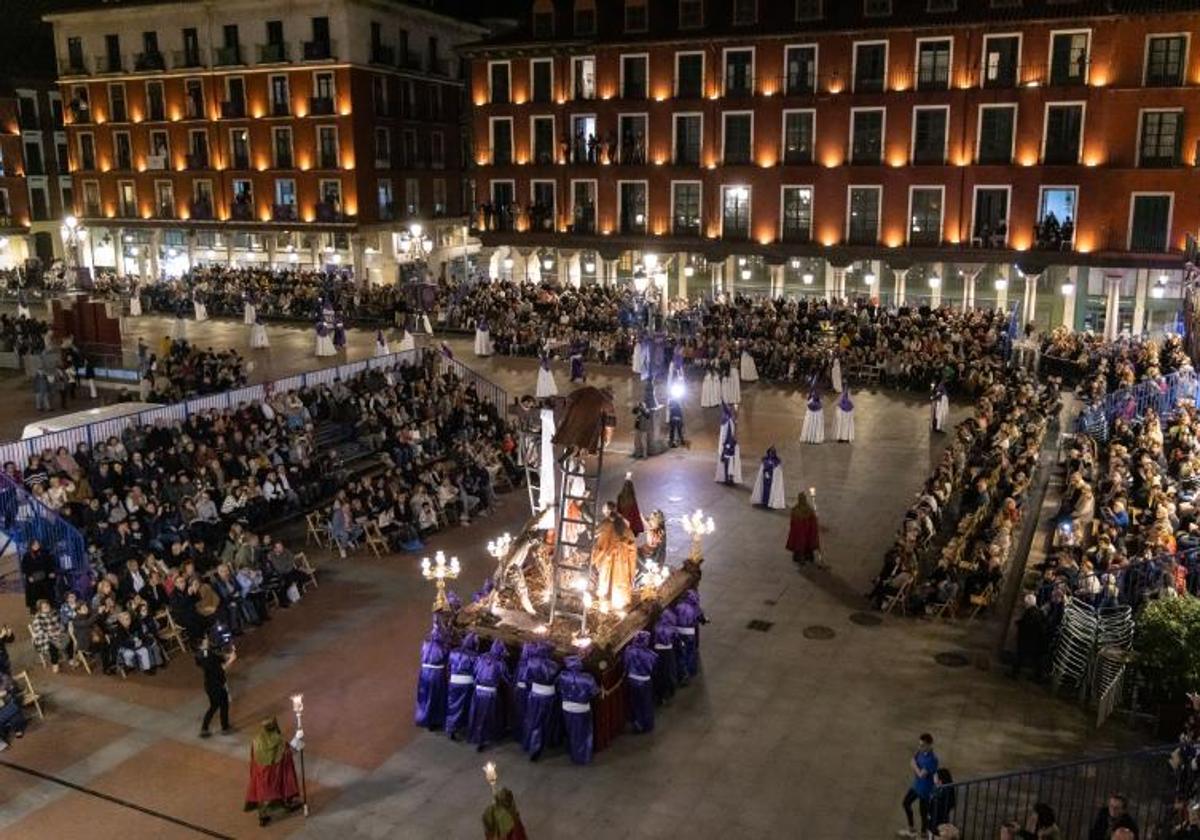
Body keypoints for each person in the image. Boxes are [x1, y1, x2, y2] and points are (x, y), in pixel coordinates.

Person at [244, 717, 302, 827]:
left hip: (261, 773)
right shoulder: (279, 741)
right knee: (283, 786)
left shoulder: (256, 740)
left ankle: (263, 816)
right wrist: (298, 739)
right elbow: (289, 752)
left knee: (262, 792)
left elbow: (253, 757)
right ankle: (287, 804)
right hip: (276, 773)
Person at [467, 639, 511, 752]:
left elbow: (475, 671)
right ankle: (483, 740)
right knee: (487, 717)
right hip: (490, 694)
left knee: (477, 714)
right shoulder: (500, 663)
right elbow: (506, 678)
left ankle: (474, 735)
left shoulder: (480, 658)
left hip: (477, 692)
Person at [593, 501, 637, 610]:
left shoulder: (606, 525)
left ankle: (606, 603)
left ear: (607, 511)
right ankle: (619, 604)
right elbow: (632, 544)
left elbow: (601, 548)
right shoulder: (624, 525)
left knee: (606, 582)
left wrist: (592, 560)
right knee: (619, 583)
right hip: (622, 562)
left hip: (608, 560)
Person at [556, 655, 599, 764]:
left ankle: (572, 751)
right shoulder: (587, 678)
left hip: (566, 707)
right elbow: (595, 692)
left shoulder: (562, 676)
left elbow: (558, 688)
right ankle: (582, 756)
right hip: (582, 709)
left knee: (570, 730)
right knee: (584, 732)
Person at [521, 641, 560, 760]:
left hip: (535, 695)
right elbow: (557, 682)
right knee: (545, 721)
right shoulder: (555, 665)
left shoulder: (531, 663)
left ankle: (528, 744)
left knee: (532, 719)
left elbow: (526, 679)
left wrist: (531, 689)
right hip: (548, 696)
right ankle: (540, 746)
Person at [195, 635, 235, 737]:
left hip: (209, 685)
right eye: (205, 640)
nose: (207, 640)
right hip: (217, 685)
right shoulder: (210, 655)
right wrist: (231, 658)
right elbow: (221, 667)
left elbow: (205, 660)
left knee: (213, 706)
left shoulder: (199, 655)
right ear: (202, 645)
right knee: (224, 706)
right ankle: (225, 728)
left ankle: (204, 728)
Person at [900, 733, 939, 838]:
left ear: (930, 745)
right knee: (905, 803)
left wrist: (914, 766)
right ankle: (911, 828)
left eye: (922, 745)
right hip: (916, 786)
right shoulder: (919, 752)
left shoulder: (933, 760)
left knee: (923, 813)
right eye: (919, 744)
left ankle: (923, 833)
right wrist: (916, 767)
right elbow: (912, 761)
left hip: (925, 790)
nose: (919, 747)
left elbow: (922, 774)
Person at [415, 618, 450, 731]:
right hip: (437, 675)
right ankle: (435, 720)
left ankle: (424, 718)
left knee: (425, 696)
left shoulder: (425, 644)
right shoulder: (442, 647)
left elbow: (422, 655)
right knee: (436, 697)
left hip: (425, 673)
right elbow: (446, 658)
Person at [446, 633, 480, 741]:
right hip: (467, 684)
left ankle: (451, 727)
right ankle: (464, 726)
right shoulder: (474, 656)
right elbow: (476, 671)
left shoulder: (454, 652)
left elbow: (449, 666)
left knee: (453, 705)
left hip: (454, 682)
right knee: (465, 707)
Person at [623, 630, 657, 733]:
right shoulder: (651, 655)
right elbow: (653, 668)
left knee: (635, 703)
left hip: (632, 680)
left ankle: (637, 723)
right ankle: (646, 724)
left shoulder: (629, 651)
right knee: (646, 703)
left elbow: (626, 664)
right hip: (645, 681)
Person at [1013, 594, 1048, 680]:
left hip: (1029, 640)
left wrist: (1019, 624)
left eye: (1025, 603)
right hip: (1038, 640)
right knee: (1037, 660)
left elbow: (1026, 625)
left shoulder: (1030, 613)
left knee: (1020, 656)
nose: (1024, 605)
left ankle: (1015, 673)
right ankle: (1038, 676)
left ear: (1028, 604)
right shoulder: (1038, 611)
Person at [786, 491, 821, 566]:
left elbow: (792, 523)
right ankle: (808, 557)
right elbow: (814, 523)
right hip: (807, 532)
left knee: (799, 544)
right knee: (807, 544)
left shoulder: (795, 510)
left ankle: (800, 558)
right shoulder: (809, 510)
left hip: (799, 534)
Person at [21, 540, 56, 612]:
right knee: (35, 594)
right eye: (34, 544)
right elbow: (24, 568)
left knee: (48, 592)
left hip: (45, 577)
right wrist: (29, 576)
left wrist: (51, 572)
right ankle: (36, 609)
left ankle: (49, 607)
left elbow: (50, 563)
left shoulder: (44, 552)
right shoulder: (27, 555)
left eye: (37, 543)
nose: (36, 545)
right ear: (31, 546)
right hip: (34, 579)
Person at [715, 402, 743, 486]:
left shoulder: (731, 419)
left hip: (731, 444)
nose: (732, 410)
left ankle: (730, 478)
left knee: (731, 464)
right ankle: (727, 478)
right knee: (727, 463)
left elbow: (733, 432)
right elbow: (727, 433)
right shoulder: (726, 419)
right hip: (727, 445)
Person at [0, 670, 27, 749]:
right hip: (5, 706)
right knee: (13, 715)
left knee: (13, 710)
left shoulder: (3, 676)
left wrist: (4, 691)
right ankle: (16, 727)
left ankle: (2, 740)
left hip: (12, 702)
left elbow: (11, 685)